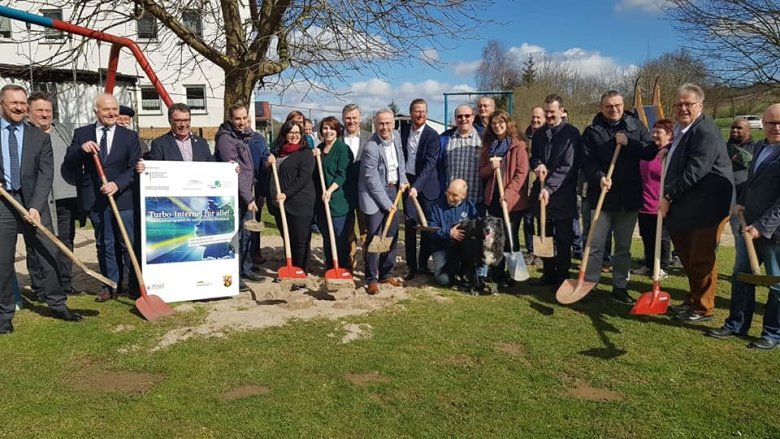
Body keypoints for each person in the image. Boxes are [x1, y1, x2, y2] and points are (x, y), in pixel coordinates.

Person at [1, 84, 82, 334]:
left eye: (22, 103)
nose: (19, 107)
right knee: (3, 261)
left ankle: (57, 304)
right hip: (4, 203)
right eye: (13, 102)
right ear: (2, 104)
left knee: (48, 254)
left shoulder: (39, 137)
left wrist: (35, 206)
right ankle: (4, 313)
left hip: (33, 202)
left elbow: (45, 174)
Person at [707, 104, 780, 350]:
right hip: (748, 225)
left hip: (774, 233)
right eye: (770, 123)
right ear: (764, 124)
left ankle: (772, 333)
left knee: (776, 284)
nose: (775, 127)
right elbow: (752, 182)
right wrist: (741, 203)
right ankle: (736, 323)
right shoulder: (760, 147)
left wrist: (761, 226)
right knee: (741, 277)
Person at [660, 83, 734, 322]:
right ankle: (693, 300)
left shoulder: (705, 131)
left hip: (706, 209)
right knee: (688, 258)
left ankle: (703, 307)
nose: (683, 108)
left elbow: (696, 171)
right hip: (688, 207)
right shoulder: (684, 131)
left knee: (701, 259)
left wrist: (668, 196)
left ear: (700, 106)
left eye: (688, 104)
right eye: (679, 104)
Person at [581, 91, 657, 304]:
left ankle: (620, 286)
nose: (613, 109)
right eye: (608, 106)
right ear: (601, 107)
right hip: (602, 197)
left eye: (617, 105)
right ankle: (589, 284)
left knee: (623, 247)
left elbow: (650, 151)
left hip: (628, 198)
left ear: (623, 105)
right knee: (595, 245)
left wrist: (629, 143)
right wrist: (599, 177)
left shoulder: (636, 126)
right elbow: (586, 161)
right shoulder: (592, 131)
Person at [65, 93, 141, 303]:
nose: (112, 113)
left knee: (128, 243)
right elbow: (69, 161)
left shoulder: (129, 136)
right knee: (105, 243)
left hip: (123, 198)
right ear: (96, 111)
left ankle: (135, 285)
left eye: (114, 109)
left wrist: (117, 184)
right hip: (96, 199)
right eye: (106, 109)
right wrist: (82, 149)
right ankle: (110, 284)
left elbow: (134, 167)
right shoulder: (82, 133)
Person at [26, 92, 81, 296]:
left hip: (65, 197)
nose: (44, 114)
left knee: (65, 242)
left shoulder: (63, 132)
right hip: (36, 200)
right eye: (39, 110)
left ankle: (65, 283)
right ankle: (40, 288)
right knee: (37, 244)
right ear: (29, 113)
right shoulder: (24, 134)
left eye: (48, 110)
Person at [529, 94, 581, 287]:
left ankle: (563, 275)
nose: (550, 115)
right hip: (542, 194)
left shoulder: (571, 133)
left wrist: (550, 188)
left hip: (563, 195)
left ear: (562, 111)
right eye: (547, 112)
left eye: (553, 112)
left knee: (563, 239)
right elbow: (533, 156)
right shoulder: (540, 134)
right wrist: (538, 165)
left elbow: (568, 166)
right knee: (544, 235)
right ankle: (548, 273)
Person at [214, 103, 265, 291]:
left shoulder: (242, 136)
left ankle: (246, 268)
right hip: (235, 196)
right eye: (238, 118)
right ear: (230, 119)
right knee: (238, 236)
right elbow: (233, 174)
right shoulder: (226, 140)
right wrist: (248, 198)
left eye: (244, 118)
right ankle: (235, 274)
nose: (242, 122)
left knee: (247, 234)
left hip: (245, 192)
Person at [359, 108, 408, 295]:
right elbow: (371, 180)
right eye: (381, 123)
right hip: (374, 194)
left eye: (388, 123)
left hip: (394, 188)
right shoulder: (371, 147)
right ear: (375, 125)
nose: (385, 127)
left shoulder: (396, 136)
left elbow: (401, 162)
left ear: (393, 124)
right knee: (375, 236)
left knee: (392, 233)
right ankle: (371, 278)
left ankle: (386, 273)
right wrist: (387, 203)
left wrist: (402, 180)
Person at [478, 110, 530, 286]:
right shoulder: (489, 146)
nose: (497, 126)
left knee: (510, 238)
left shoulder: (518, 145)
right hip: (493, 199)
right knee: (494, 239)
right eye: (494, 124)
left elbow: (521, 174)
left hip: (513, 201)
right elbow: (482, 171)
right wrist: (491, 168)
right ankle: (497, 275)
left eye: (501, 122)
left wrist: (507, 195)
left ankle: (514, 275)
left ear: (508, 123)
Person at [267, 119, 316, 278]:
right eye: (291, 132)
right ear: (285, 134)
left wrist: (286, 194)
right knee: (288, 239)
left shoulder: (306, 153)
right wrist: (269, 163)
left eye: (297, 133)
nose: (294, 136)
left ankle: (300, 273)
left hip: (301, 203)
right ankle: (290, 269)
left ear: (301, 135)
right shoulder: (278, 152)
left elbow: (302, 179)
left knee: (300, 241)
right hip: (280, 204)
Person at [400, 98, 440, 280]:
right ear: (411, 113)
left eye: (424, 111)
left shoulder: (432, 135)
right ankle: (412, 266)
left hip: (427, 185)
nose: (421, 114)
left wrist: (417, 186)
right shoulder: (404, 131)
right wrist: (405, 181)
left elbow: (431, 163)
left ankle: (424, 263)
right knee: (410, 225)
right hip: (408, 182)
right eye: (417, 111)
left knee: (426, 227)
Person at [633, 118, 673, 278]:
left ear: (669, 134)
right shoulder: (649, 150)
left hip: (660, 202)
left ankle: (662, 266)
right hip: (644, 201)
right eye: (653, 131)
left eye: (659, 132)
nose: (654, 134)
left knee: (661, 237)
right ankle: (649, 264)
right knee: (647, 235)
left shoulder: (670, 152)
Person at [312, 116, 351, 270]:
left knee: (339, 238)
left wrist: (329, 191)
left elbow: (342, 174)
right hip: (321, 202)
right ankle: (330, 267)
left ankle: (342, 267)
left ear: (337, 131)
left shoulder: (342, 149)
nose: (328, 131)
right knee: (327, 238)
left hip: (337, 201)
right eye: (325, 128)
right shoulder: (319, 149)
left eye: (331, 128)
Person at [428, 179, 479, 286]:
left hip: (462, 248)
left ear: (463, 195)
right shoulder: (436, 207)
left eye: (454, 195)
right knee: (444, 280)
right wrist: (449, 233)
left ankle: (462, 272)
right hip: (441, 247)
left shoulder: (470, 208)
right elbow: (431, 230)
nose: (450, 197)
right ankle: (445, 273)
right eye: (448, 193)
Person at [341, 104, 371, 271]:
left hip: (365, 192)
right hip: (344, 192)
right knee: (348, 230)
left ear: (360, 119)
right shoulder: (337, 139)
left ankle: (368, 262)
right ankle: (350, 262)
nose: (351, 121)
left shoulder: (370, 137)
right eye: (348, 118)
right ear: (343, 119)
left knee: (366, 229)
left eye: (354, 118)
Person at [438, 104, 484, 208]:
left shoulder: (483, 139)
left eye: (467, 116)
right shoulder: (445, 139)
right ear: (455, 119)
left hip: (475, 199)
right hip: (452, 199)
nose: (463, 119)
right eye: (459, 116)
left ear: (472, 117)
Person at [726, 117, 758, 255]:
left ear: (748, 130)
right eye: (733, 127)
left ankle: (743, 267)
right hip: (724, 195)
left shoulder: (756, 148)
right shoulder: (724, 147)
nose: (734, 130)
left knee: (741, 232)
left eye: (739, 128)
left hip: (743, 199)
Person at [147, 103, 215, 162]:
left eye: (186, 120)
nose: (183, 124)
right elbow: (154, 168)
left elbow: (211, 166)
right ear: (170, 121)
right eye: (178, 120)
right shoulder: (160, 144)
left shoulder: (202, 143)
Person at [523, 106, 545, 263]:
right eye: (533, 118)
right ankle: (531, 250)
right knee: (528, 217)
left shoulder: (547, 136)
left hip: (542, 182)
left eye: (538, 118)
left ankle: (541, 252)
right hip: (525, 184)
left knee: (541, 218)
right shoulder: (525, 137)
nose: (535, 120)